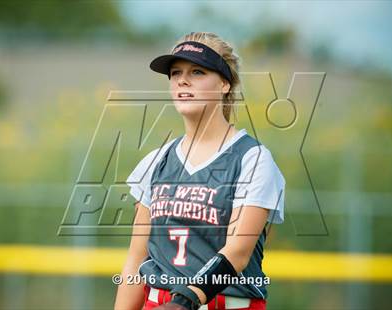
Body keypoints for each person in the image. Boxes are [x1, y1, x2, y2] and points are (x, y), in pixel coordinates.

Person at [114, 32, 285, 310]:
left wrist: (184, 301)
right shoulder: (155, 162)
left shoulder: (252, 159)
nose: (182, 80)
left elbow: (238, 253)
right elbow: (136, 259)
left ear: (225, 84)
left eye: (197, 71)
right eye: (175, 73)